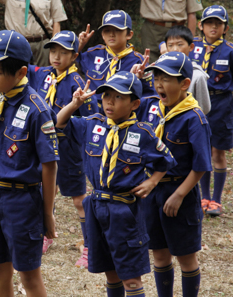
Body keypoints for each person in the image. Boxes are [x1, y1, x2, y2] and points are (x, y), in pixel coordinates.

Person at [56, 72, 176, 297]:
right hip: (97, 206)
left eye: (118, 97)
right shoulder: (91, 125)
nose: (109, 101)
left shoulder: (142, 133)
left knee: (130, 279)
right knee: (110, 273)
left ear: (135, 104)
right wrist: (74, 104)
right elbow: (59, 123)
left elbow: (166, 161)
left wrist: (152, 181)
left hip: (125, 211)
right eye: (106, 96)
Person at [0, 30, 59, 297]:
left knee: (29, 277)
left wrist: (47, 213)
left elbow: (49, 165)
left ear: (21, 72)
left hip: (23, 202)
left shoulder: (37, 109)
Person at [137, 52, 212, 297]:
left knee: (186, 257)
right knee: (159, 254)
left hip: (181, 192)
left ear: (184, 84)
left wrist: (180, 194)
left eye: (166, 78)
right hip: (153, 191)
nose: (159, 83)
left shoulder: (194, 118)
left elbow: (201, 165)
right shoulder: (151, 108)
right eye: (156, 77)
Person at [33, 31, 98, 267]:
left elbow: (92, 120)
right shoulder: (44, 76)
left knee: (79, 199)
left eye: (63, 52)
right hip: (44, 147)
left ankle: (90, 246)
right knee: (42, 193)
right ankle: (44, 235)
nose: (56, 57)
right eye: (53, 51)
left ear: (74, 56)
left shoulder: (78, 83)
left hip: (68, 149)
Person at [190, 5, 233, 216]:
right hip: (195, 102)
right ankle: (203, 196)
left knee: (217, 151)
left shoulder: (231, 51)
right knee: (201, 149)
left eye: (218, 23)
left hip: (220, 105)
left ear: (225, 28)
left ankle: (217, 200)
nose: (213, 27)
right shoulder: (191, 46)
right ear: (201, 26)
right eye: (209, 23)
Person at [138, 25, 211, 114]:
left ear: (191, 47)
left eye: (180, 45)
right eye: (170, 45)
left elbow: (204, 108)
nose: (175, 49)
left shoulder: (198, 76)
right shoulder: (160, 71)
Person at [77, 10, 151, 95]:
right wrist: (80, 45)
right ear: (102, 35)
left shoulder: (138, 61)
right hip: (93, 106)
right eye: (107, 30)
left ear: (129, 35)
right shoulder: (93, 54)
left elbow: (149, 93)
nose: (111, 34)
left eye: (117, 30)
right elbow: (69, 63)